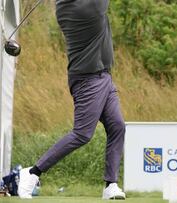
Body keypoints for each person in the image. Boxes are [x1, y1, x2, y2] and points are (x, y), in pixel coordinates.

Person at [17, 0, 126, 200]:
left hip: (103, 76)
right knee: (82, 134)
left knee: (117, 126)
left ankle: (110, 184)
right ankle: (33, 172)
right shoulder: (87, 8)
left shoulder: (63, 6)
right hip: (89, 80)